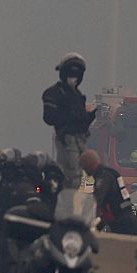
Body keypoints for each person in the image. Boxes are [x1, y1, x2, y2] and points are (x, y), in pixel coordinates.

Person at [43, 52, 96, 189]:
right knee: (71, 173)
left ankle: (74, 197)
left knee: (82, 174)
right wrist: (71, 118)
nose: (74, 78)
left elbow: (82, 123)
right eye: (71, 74)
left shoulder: (77, 95)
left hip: (81, 140)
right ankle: (67, 197)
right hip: (67, 140)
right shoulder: (54, 93)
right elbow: (49, 117)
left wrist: (92, 115)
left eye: (77, 74)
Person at [79, 150, 137, 236]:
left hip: (123, 224)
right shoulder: (110, 173)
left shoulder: (104, 176)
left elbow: (97, 198)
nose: (85, 170)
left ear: (89, 164)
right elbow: (107, 204)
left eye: (84, 167)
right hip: (122, 221)